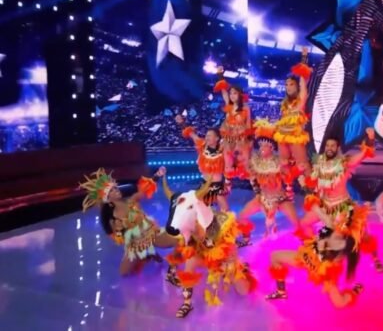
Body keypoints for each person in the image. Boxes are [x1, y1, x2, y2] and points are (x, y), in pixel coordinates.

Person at [164, 180, 257, 318]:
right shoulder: (187, 224)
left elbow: (230, 246)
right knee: (190, 261)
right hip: (204, 256)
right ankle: (187, 303)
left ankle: (242, 270)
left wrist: (230, 263)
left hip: (224, 258)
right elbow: (181, 245)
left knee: (243, 290)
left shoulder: (221, 222)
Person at [300, 128, 383, 272]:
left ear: (338, 147)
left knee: (362, 234)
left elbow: (364, 154)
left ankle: (375, 258)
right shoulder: (320, 164)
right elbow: (314, 184)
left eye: (332, 146)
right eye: (327, 145)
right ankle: (317, 250)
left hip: (343, 207)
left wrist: (370, 139)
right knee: (303, 223)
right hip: (325, 206)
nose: (329, 148)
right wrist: (304, 179)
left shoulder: (344, 162)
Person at [80, 167, 180, 276]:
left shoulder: (132, 200)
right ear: (107, 198)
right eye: (112, 190)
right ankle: (147, 256)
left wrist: (157, 175)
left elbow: (144, 189)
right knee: (124, 273)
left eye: (115, 188)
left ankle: (172, 266)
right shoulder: (114, 218)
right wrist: (120, 231)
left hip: (151, 235)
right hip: (135, 244)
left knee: (179, 241)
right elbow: (118, 238)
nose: (116, 190)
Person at [266, 202, 366, 308]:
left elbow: (328, 246)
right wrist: (315, 207)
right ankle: (281, 292)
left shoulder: (345, 242)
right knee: (275, 257)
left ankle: (356, 290)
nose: (339, 217)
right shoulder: (333, 226)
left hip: (325, 271)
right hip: (309, 257)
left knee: (339, 303)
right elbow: (324, 217)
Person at [236, 119, 301, 246]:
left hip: (280, 199)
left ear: (271, 147)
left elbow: (291, 169)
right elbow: (246, 163)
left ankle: (303, 245)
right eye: (260, 145)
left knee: (296, 222)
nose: (261, 148)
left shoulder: (279, 161)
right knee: (241, 216)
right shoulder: (256, 161)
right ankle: (246, 238)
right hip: (262, 199)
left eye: (264, 145)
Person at [274, 47, 313, 185]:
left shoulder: (301, 100)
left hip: (296, 137)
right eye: (286, 85)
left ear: (297, 87)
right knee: (284, 164)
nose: (288, 87)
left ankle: (312, 192)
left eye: (291, 84)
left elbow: (303, 80)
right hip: (282, 136)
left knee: (303, 165)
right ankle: (288, 191)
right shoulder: (284, 104)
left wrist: (304, 58)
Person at [175, 116, 228, 212]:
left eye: (210, 136)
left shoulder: (222, 149)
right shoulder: (202, 146)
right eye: (206, 135)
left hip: (217, 186)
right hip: (204, 185)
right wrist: (182, 123)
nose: (207, 137)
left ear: (217, 138)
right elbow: (191, 134)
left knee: (225, 210)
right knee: (197, 210)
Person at [214, 67, 252, 188]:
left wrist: (249, 139)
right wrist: (220, 75)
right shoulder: (229, 106)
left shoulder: (246, 108)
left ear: (240, 94)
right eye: (231, 93)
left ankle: (255, 188)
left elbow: (248, 124)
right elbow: (223, 91)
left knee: (245, 163)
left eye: (234, 93)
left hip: (241, 139)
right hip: (229, 138)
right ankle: (227, 187)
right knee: (228, 163)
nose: (232, 95)